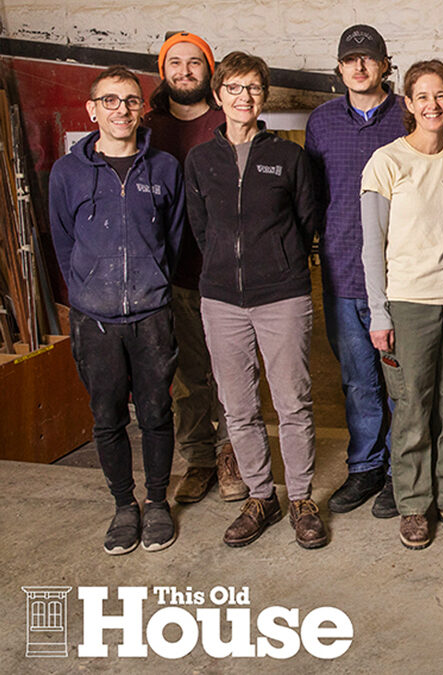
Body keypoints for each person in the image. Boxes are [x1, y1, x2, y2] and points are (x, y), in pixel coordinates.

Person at [185, 51, 328, 549]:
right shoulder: (200, 160)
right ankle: (261, 495)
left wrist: (278, 261)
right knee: (238, 407)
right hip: (221, 299)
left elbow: (308, 220)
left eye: (253, 88)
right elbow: (201, 228)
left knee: (293, 402)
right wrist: (227, 266)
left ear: (263, 96)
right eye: (234, 88)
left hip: (282, 296)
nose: (244, 97)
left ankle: (302, 499)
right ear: (218, 95)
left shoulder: (289, 156)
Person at [49, 66, 185, 555]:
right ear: (92, 109)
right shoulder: (67, 173)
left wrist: (150, 282)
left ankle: (156, 505)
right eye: (110, 101)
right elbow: (64, 242)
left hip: (151, 314)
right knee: (107, 417)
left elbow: (171, 239)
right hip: (96, 319)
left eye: (130, 101)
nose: (121, 109)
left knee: (155, 412)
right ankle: (124, 506)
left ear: (140, 108)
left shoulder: (165, 168)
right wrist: (89, 291)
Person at [361, 60, 443, 550]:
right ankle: (413, 503)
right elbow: (373, 245)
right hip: (409, 301)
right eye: (423, 96)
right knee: (412, 407)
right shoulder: (386, 162)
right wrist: (378, 311)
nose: (433, 105)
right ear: (408, 104)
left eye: (442, 95)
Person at [305, 25, 405, 519]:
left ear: (386, 64)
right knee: (359, 381)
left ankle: (399, 474)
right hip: (344, 270)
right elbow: (314, 196)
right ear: (339, 68)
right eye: (351, 60)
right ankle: (366, 466)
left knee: (402, 381)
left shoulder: (410, 113)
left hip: (403, 273)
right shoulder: (321, 122)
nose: (360, 67)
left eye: (369, 59)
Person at [143, 32, 247, 505]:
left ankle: (233, 456)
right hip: (174, 275)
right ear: (164, 71)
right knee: (187, 377)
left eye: (194, 63)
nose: (185, 71)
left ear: (210, 71)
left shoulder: (229, 121)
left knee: (233, 373)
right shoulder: (147, 129)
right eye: (175, 63)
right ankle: (199, 458)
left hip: (227, 274)